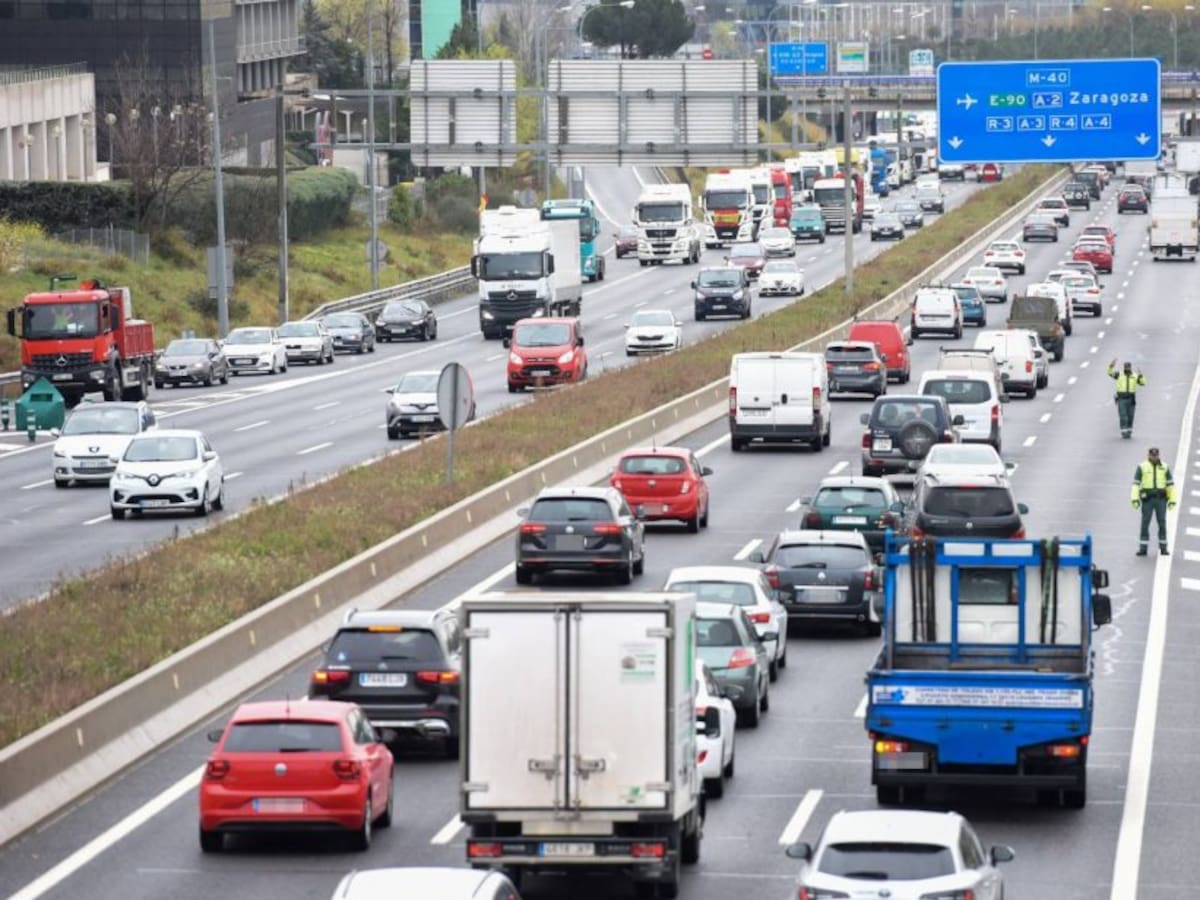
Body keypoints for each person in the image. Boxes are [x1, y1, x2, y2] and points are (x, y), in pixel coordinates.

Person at [1131, 446, 1176, 556]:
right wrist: (1135, 499)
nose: (1154, 457)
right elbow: (1136, 484)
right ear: (1149, 455)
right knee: (1145, 523)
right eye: (1152, 456)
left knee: (1162, 523)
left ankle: (1163, 548)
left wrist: (1172, 500)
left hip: (1161, 499)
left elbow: (1170, 484)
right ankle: (1143, 548)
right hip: (1148, 500)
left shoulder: (1164, 467)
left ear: (1159, 455)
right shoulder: (1142, 467)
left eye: (1156, 456)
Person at [1108, 359, 1146, 439]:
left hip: (1131, 399)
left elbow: (1143, 383)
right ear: (1124, 367)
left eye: (1128, 367)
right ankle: (1123, 432)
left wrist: (1141, 375)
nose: (1127, 369)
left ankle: (1129, 431)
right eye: (1126, 367)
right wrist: (1111, 366)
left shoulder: (1134, 376)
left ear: (1130, 367)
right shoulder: (1119, 374)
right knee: (1123, 416)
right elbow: (1110, 373)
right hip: (1121, 398)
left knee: (1130, 416)